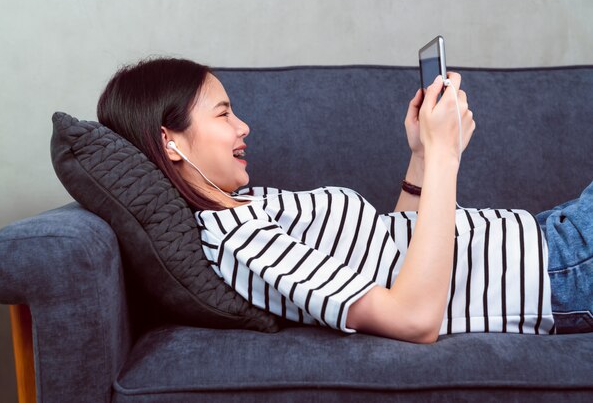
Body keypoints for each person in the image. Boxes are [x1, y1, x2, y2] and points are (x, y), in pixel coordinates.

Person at [97, 57, 592, 343]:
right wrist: (445, 157)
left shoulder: (249, 205)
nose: (243, 127)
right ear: (171, 141)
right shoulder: (239, 241)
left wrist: (421, 159)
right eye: (224, 114)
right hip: (558, 270)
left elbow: (394, 253)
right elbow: (413, 317)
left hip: (552, 237)